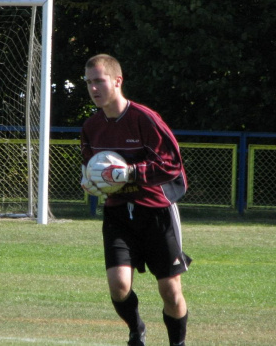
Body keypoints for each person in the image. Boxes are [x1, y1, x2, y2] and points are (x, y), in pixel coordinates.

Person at [80, 54, 192, 346]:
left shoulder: (144, 119)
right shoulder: (91, 127)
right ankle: (136, 329)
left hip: (156, 212)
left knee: (170, 291)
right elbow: (90, 168)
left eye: (99, 81)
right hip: (118, 213)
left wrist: (130, 173)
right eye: (89, 82)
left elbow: (172, 165)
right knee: (118, 286)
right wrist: (90, 182)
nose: (93, 88)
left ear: (117, 81)